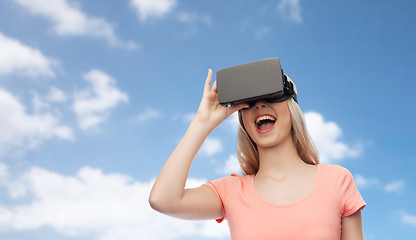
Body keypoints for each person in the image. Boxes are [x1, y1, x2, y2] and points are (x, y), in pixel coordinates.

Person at [149, 68, 366, 239]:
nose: (259, 105)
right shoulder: (231, 192)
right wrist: (202, 123)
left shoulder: (337, 180)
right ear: (242, 119)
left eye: (272, 96)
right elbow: (163, 200)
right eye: (249, 102)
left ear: (292, 107)